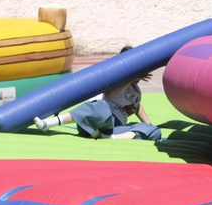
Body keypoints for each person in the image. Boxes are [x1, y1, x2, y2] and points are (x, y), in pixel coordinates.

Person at [34, 47, 163, 141]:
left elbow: (137, 106)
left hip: (113, 129)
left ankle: (110, 138)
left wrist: (149, 124)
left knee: (155, 132)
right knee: (101, 106)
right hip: (96, 121)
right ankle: (50, 123)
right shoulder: (119, 81)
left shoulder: (136, 90)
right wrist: (131, 77)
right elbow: (110, 95)